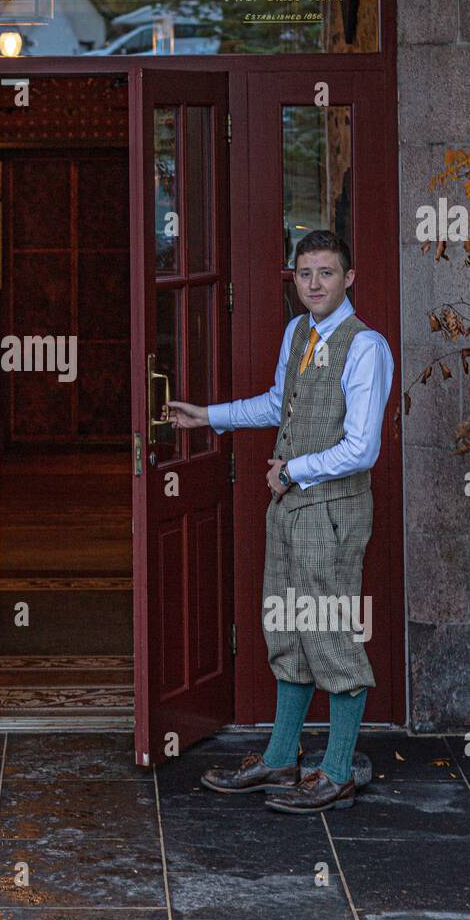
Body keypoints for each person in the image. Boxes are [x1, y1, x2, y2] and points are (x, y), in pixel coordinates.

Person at [166, 230, 394, 813]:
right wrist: (208, 416)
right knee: (287, 628)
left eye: (325, 273)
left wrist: (292, 471)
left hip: (334, 513)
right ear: (293, 279)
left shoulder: (366, 346)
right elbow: (277, 403)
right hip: (289, 510)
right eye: (304, 274)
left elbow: (362, 447)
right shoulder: (298, 333)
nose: (314, 284)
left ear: (349, 278)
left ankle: (338, 768)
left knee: (331, 632)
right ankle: (280, 757)